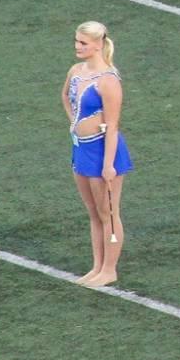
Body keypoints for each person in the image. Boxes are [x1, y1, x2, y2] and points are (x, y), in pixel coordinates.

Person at [64, 20, 133, 287]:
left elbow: (113, 125)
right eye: (76, 41)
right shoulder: (76, 71)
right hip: (82, 148)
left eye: (83, 43)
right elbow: (64, 97)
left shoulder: (108, 81)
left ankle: (109, 269)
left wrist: (108, 166)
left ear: (98, 45)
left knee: (109, 213)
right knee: (94, 213)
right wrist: (74, 125)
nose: (77, 46)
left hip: (104, 150)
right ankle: (97, 266)